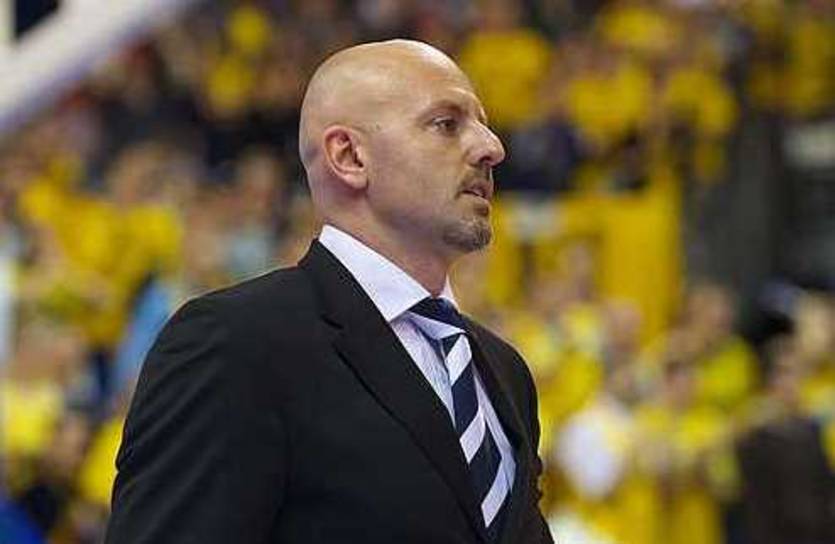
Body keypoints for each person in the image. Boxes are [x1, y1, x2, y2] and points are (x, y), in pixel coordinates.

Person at [105, 39, 553, 544]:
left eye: (483, 124)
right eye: (446, 124)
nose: (492, 147)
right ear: (349, 156)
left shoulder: (504, 370)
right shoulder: (234, 344)